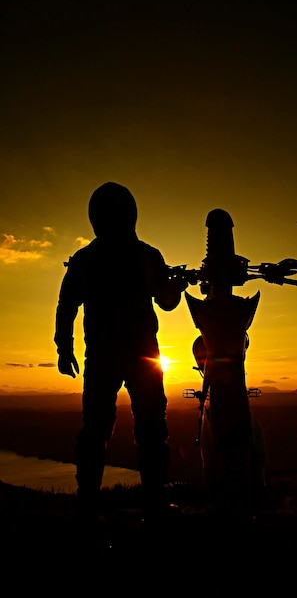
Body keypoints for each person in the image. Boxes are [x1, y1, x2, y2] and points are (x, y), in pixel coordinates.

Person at [54, 181, 187, 524]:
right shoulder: (146, 254)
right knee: (152, 430)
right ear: (132, 215)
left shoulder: (85, 259)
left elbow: (66, 306)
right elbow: (168, 302)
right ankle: (154, 506)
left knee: (96, 430)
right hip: (143, 356)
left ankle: (88, 507)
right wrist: (177, 287)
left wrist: (64, 348)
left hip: (101, 357)